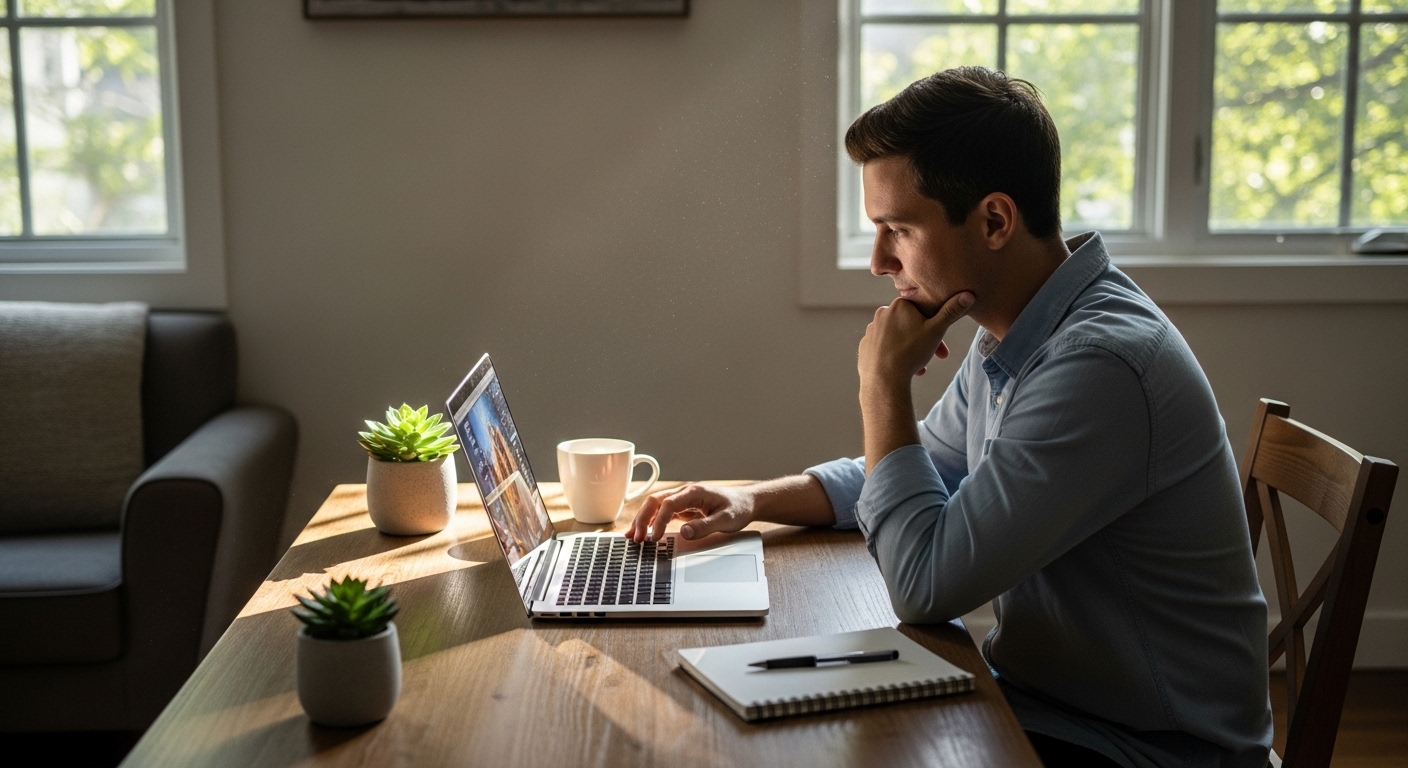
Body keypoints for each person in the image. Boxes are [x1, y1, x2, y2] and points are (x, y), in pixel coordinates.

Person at [629, 67, 1273, 768]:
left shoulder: (1099, 366)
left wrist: (883, 388)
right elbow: (919, 467)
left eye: (898, 229)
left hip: (1144, 752)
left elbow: (924, 585)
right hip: (1049, 708)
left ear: (995, 219)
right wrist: (751, 499)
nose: (879, 262)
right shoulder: (1019, 330)